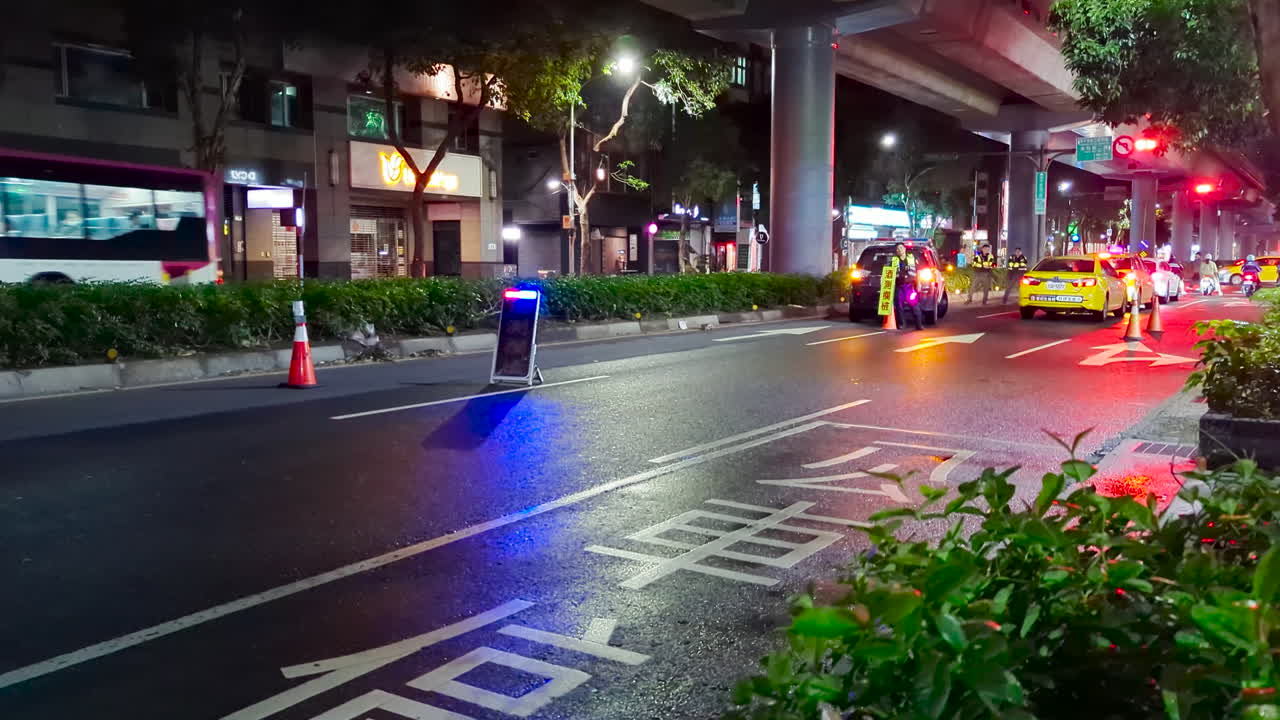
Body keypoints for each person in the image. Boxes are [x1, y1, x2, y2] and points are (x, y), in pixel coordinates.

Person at [892, 242, 923, 331]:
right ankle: (901, 324)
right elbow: (889, 272)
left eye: (901, 248)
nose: (899, 250)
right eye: (897, 249)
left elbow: (918, 272)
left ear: (905, 249)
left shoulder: (911, 258)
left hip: (910, 286)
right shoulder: (894, 260)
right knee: (899, 306)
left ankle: (918, 324)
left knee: (914, 304)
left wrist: (919, 283)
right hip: (899, 286)